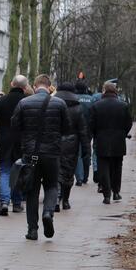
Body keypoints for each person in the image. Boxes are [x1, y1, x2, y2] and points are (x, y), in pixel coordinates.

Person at [11, 74, 69, 240]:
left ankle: (32, 230)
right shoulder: (60, 104)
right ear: (49, 87)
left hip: (31, 154)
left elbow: (15, 126)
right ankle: (48, 213)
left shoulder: (24, 103)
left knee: (32, 191)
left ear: (35, 86)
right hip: (52, 153)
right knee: (51, 185)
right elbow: (66, 128)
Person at [0, 75, 30, 216]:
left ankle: (4, 202)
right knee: (19, 172)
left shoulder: (2, 101)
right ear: (25, 87)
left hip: (4, 141)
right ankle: (16, 204)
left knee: (5, 172)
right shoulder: (28, 102)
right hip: (22, 143)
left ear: (11, 83)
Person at [89, 81, 133, 204]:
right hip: (118, 141)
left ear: (104, 92)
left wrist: (95, 134)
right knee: (117, 167)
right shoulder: (123, 106)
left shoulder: (96, 106)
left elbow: (91, 124)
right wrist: (123, 132)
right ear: (115, 92)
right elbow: (128, 123)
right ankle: (116, 192)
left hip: (102, 140)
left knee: (103, 168)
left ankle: (106, 195)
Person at [54, 82, 90, 211]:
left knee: (56, 171)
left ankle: (57, 198)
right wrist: (86, 148)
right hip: (72, 143)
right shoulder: (77, 107)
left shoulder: (53, 104)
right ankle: (66, 201)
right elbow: (83, 130)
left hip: (55, 141)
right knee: (69, 172)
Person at [74, 80, 94, 186]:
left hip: (76, 129)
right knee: (87, 152)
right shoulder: (91, 100)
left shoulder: (73, 98)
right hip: (88, 130)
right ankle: (85, 176)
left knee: (78, 153)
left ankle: (79, 177)